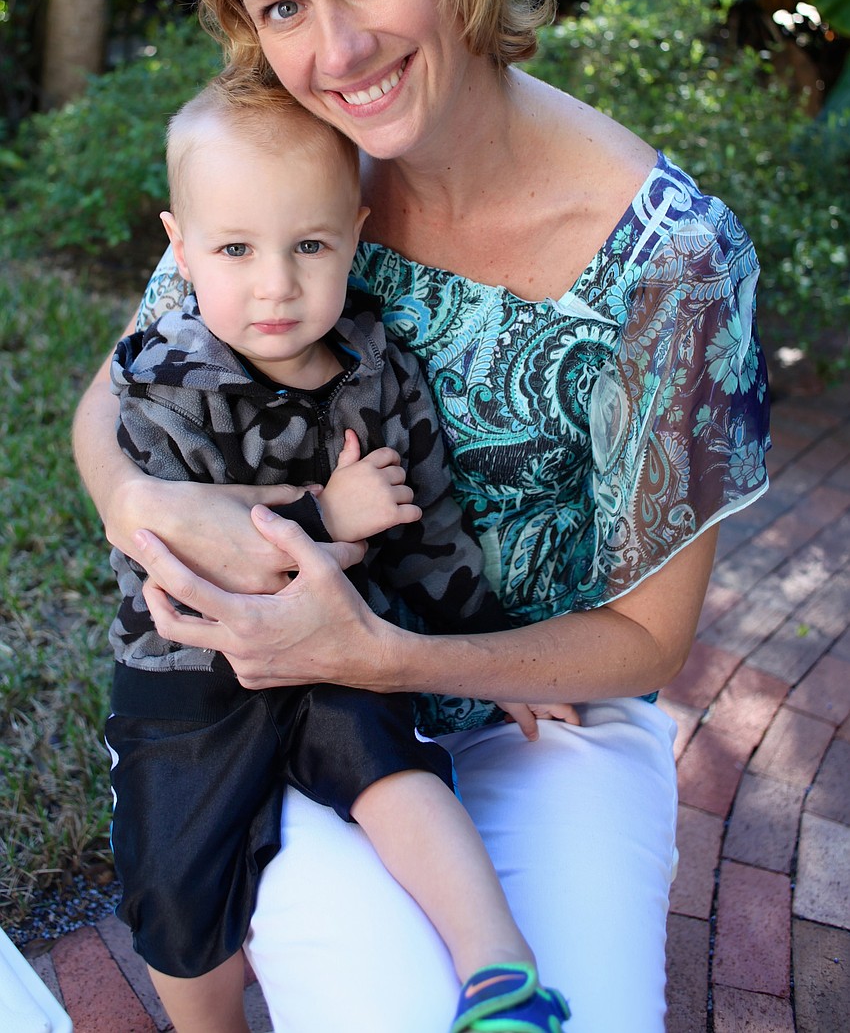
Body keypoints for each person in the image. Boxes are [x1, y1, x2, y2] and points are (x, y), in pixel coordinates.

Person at [73, 0, 770, 1033]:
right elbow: (112, 394)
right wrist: (138, 503)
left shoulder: (670, 260)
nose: (337, 49)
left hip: (538, 709)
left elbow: (648, 639)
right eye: (283, 6)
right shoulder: (290, 172)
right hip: (287, 700)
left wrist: (388, 651)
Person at [105, 79, 573, 1033]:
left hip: (336, 652)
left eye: (309, 246)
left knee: (394, 767)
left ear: (354, 238)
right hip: (192, 679)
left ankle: (501, 974)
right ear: (180, 247)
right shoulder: (164, 385)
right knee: (174, 887)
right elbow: (184, 570)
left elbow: (432, 528)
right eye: (236, 249)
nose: (276, 284)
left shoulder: (379, 367)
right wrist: (331, 518)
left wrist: (492, 652)